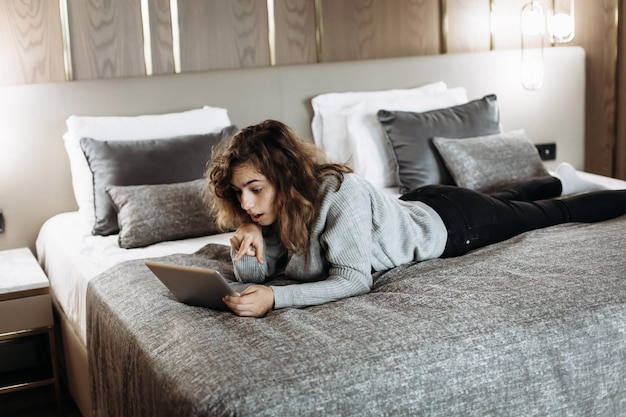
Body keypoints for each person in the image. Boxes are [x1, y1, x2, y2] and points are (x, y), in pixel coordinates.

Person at [206, 119, 626, 318]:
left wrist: (278, 300)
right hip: (421, 201)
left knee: (547, 215)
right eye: (238, 192)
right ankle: (555, 178)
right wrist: (246, 232)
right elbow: (253, 277)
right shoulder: (267, 212)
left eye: (255, 188)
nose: (245, 201)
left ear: (285, 177)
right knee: (507, 197)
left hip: (455, 223)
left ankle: (565, 188)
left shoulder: (340, 193)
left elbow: (354, 280)